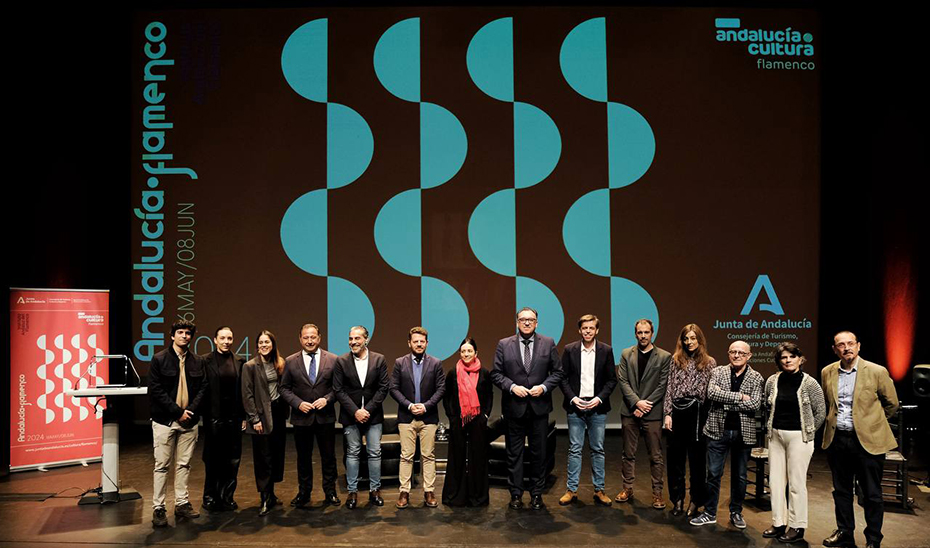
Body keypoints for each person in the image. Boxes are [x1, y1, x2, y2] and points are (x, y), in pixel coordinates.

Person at [821, 331, 899, 548]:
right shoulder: (828, 371)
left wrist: (871, 424)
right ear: (835, 349)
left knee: (872, 494)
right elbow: (830, 404)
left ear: (858, 346)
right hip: (838, 440)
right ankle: (845, 532)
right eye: (841, 345)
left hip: (868, 442)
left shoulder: (876, 371)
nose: (846, 348)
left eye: (850, 343)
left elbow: (892, 404)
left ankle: (873, 538)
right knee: (841, 491)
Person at [491, 306, 563, 510]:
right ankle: (515, 494)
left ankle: (537, 494)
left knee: (538, 454)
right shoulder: (504, 344)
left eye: (531, 319)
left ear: (537, 323)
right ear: (517, 322)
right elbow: (496, 374)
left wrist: (544, 387)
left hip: (539, 408)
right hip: (514, 408)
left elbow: (558, 372)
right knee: (514, 454)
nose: (527, 322)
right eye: (523, 319)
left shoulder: (548, 343)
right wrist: (512, 387)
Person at [690, 340, 762, 529]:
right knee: (713, 473)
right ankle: (710, 512)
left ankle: (736, 512)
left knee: (740, 475)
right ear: (728, 353)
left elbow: (755, 404)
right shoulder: (717, 372)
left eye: (741, 352)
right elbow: (712, 394)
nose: (736, 355)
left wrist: (726, 398)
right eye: (733, 352)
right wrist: (739, 397)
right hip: (717, 430)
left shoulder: (756, 377)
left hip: (742, 433)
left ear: (749, 356)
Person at [762, 342, 826, 543]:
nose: (788, 360)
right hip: (775, 436)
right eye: (783, 357)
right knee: (776, 481)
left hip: (799, 437)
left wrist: (808, 431)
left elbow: (820, 411)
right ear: (779, 361)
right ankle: (779, 522)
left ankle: (797, 526)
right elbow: (767, 404)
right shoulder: (772, 381)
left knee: (796, 483)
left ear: (800, 359)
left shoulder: (810, 383)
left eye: (791, 356)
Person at [148, 320, 208, 527]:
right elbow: (155, 390)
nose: (184, 336)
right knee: (162, 465)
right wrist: (177, 412)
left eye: (188, 333)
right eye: (180, 332)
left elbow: (203, 389)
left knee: (184, 464)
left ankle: (181, 504)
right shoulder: (159, 359)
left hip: (189, 422)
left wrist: (189, 412)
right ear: (172, 335)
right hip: (165, 421)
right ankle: (159, 507)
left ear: (192, 336)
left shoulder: (198, 361)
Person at [558, 314, 617, 506]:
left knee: (597, 449)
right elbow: (563, 378)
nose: (588, 331)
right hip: (576, 407)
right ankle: (571, 490)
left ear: (597, 330)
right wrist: (573, 398)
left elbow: (611, 380)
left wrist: (598, 399)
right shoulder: (569, 350)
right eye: (585, 328)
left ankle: (599, 490)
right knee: (575, 449)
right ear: (580, 330)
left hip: (597, 408)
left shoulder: (606, 350)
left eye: (592, 328)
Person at [280, 323, 341, 508]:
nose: (309, 341)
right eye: (306, 337)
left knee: (328, 457)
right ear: (300, 339)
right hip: (301, 418)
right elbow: (284, 388)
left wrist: (327, 400)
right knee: (303, 458)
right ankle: (304, 493)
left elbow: (338, 388)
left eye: (313, 337)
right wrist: (298, 403)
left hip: (325, 417)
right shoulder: (290, 361)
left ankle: (330, 492)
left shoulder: (333, 359)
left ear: (319, 338)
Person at [616, 318, 671, 509]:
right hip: (630, 410)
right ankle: (627, 488)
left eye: (646, 332)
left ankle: (657, 493)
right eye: (640, 332)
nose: (643, 336)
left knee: (655, 456)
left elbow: (663, 384)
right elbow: (622, 381)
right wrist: (636, 403)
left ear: (652, 333)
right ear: (635, 334)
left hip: (652, 411)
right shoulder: (626, 354)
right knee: (628, 453)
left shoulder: (664, 356)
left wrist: (645, 405)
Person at [333, 325, 390, 509]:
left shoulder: (379, 360)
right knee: (353, 453)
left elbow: (383, 388)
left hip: (373, 417)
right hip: (351, 416)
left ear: (366, 339)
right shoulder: (341, 361)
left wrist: (368, 410)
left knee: (374, 453)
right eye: (350, 338)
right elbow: (338, 390)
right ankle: (352, 492)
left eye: (357, 338)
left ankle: (375, 490)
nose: (353, 342)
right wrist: (355, 411)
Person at [390, 327, 446, 509]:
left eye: (422, 341)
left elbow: (441, 389)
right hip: (407, 416)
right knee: (406, 456)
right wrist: (408, 405)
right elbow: (394, 388)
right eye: (416, 341)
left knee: (428, 455)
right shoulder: (400, 363)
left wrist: (426, 405)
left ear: (427, 343)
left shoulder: (436, 363)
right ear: (409, 343)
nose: (419, 344)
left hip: (428, 416)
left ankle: (429, 491)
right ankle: (404, 492)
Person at [663, 323, 715, 518]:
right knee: (675, 459)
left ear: (699, 339)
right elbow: (669, 387)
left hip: (698, 413)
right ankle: (677, 499)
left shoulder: (709, 362)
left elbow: (709, 394)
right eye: (686, 338)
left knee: (697, 461)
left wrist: (707, 420)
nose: (689, 342)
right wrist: (667, 413)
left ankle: (695, 501)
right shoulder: (675, 360)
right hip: (677, 411)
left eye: (693, 338)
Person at [242, 330, 290, 516]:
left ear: (273, 344)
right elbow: (247, 395)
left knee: (276, 454)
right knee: (263, 457)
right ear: (257, 345)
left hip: (277, 413)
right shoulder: (250, 366)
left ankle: (271, 493)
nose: (264, 345)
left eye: (267, 342)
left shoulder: (280, 363)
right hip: (260, 416)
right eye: (261, 342)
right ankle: (264, 497)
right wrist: (254, 419)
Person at [442, 337, 493, 507]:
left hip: (478, 422)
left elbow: (488, 396)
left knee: (477, 458)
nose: (466, 354)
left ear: (476, 353)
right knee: (456, 458)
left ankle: (477, 497)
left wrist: (484, 416)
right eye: (463, 351)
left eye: (469, 351)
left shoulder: (484, 373)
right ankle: (456, 496)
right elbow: (447, 397)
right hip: (458, 421)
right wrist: (452, 417)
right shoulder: (452, 373)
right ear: (459, 353)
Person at [200, 326, 246, 512]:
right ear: (215, 340)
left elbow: (243, 392)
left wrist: (243, 417)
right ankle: (210, 497)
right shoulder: (205, 361)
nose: (226, 341)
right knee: (212, 460)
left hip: (234, 419)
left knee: (233, 460)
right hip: (214, 418)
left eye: (229, 338)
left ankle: (228, 497)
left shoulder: (240, 361)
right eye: (223, 338)